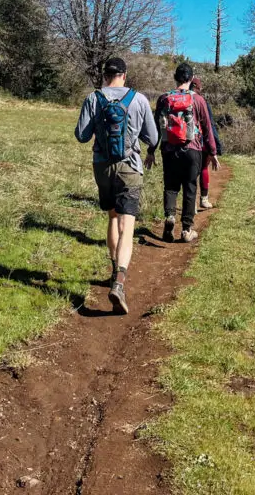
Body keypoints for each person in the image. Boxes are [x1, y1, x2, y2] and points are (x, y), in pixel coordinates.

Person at [75, 57, 159, 315]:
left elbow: (81, 135)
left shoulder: (93, 98)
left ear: (105, 75)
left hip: (102, 165)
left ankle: (113, 269)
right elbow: (153, 137)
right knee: (128, 225)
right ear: (125, 74)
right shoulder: (139, 99)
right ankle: (120, 281)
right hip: (130, 166)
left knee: (112, 217)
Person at [145, 63, 219, 243]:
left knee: (170, 187)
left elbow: (156, 127)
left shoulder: (164, 99)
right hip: (192, 149)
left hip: (169, 149)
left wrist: (151, 151)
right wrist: (213, 151)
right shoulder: (198, 100)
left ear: (175, 77)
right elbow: (207, 128)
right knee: (190, 187)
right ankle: (186, 229)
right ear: (191, 78)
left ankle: (169, 217)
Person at [189, 76, 223, 210]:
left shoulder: (176, 98)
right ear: (198, 87)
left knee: (189, 173)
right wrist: (215, 147)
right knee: (203, 168)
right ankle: (203, 199)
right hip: (200, 142)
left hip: (180, 142)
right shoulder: (201, 101)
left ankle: (191, 205)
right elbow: (209, 125)